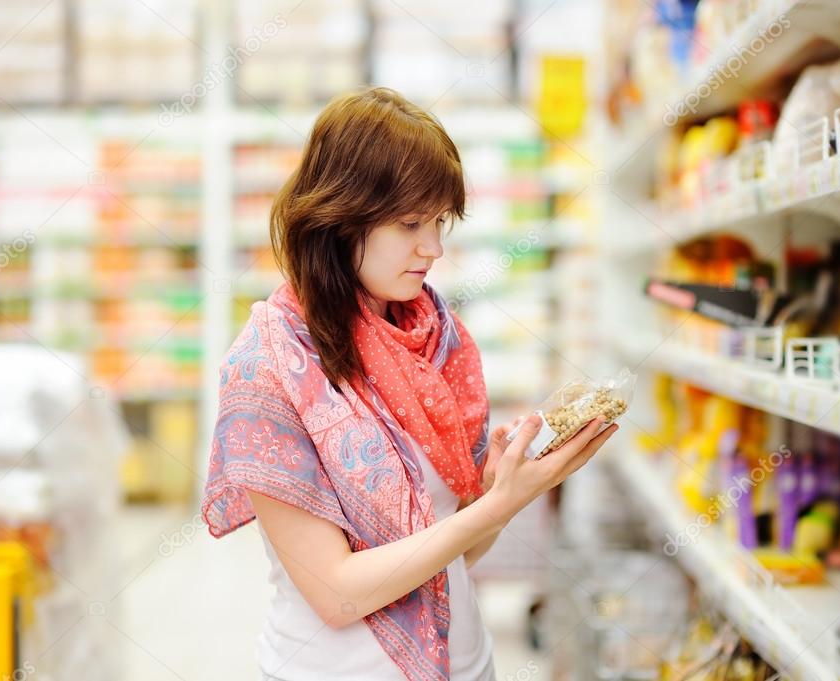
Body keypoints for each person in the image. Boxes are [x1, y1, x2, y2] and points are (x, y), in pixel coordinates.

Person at [201, 86, 618, 681]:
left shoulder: (437, 343)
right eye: (410, 223)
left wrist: (502, 496)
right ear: (338, 217)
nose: (435, 248)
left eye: (440, 222)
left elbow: (455, 556)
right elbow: (336, 594)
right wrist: (496, 505)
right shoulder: (267, 369)